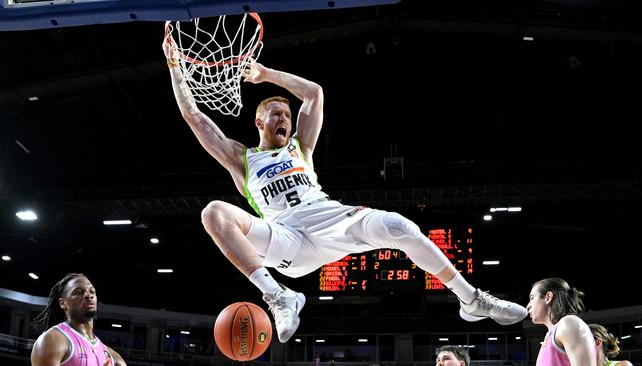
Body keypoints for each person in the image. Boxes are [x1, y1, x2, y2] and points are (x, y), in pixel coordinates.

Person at [162, 39, 527, 343]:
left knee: (401, 227)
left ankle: (471, 299)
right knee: (213, 212)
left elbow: (315, 94)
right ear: (259, 121)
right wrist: (175, 67)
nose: (284, 119)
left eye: (287, 116)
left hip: (331, 218)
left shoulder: (301, 148)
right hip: (285, 237)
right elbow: (194, 117)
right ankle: (278, 295)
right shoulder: (242, 159)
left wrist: (266, 75)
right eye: (276, 114)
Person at [30, 273, 127, 366]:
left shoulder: (113, 357)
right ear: (63, 303)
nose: (89, 295)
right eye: (78, 292)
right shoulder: (52, 340)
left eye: (92, 291)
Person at [526, 277, 596, 366]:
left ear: (548, 297)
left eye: (532, 298)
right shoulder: (550, 334)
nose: (528, 306)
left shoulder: (569, 323)